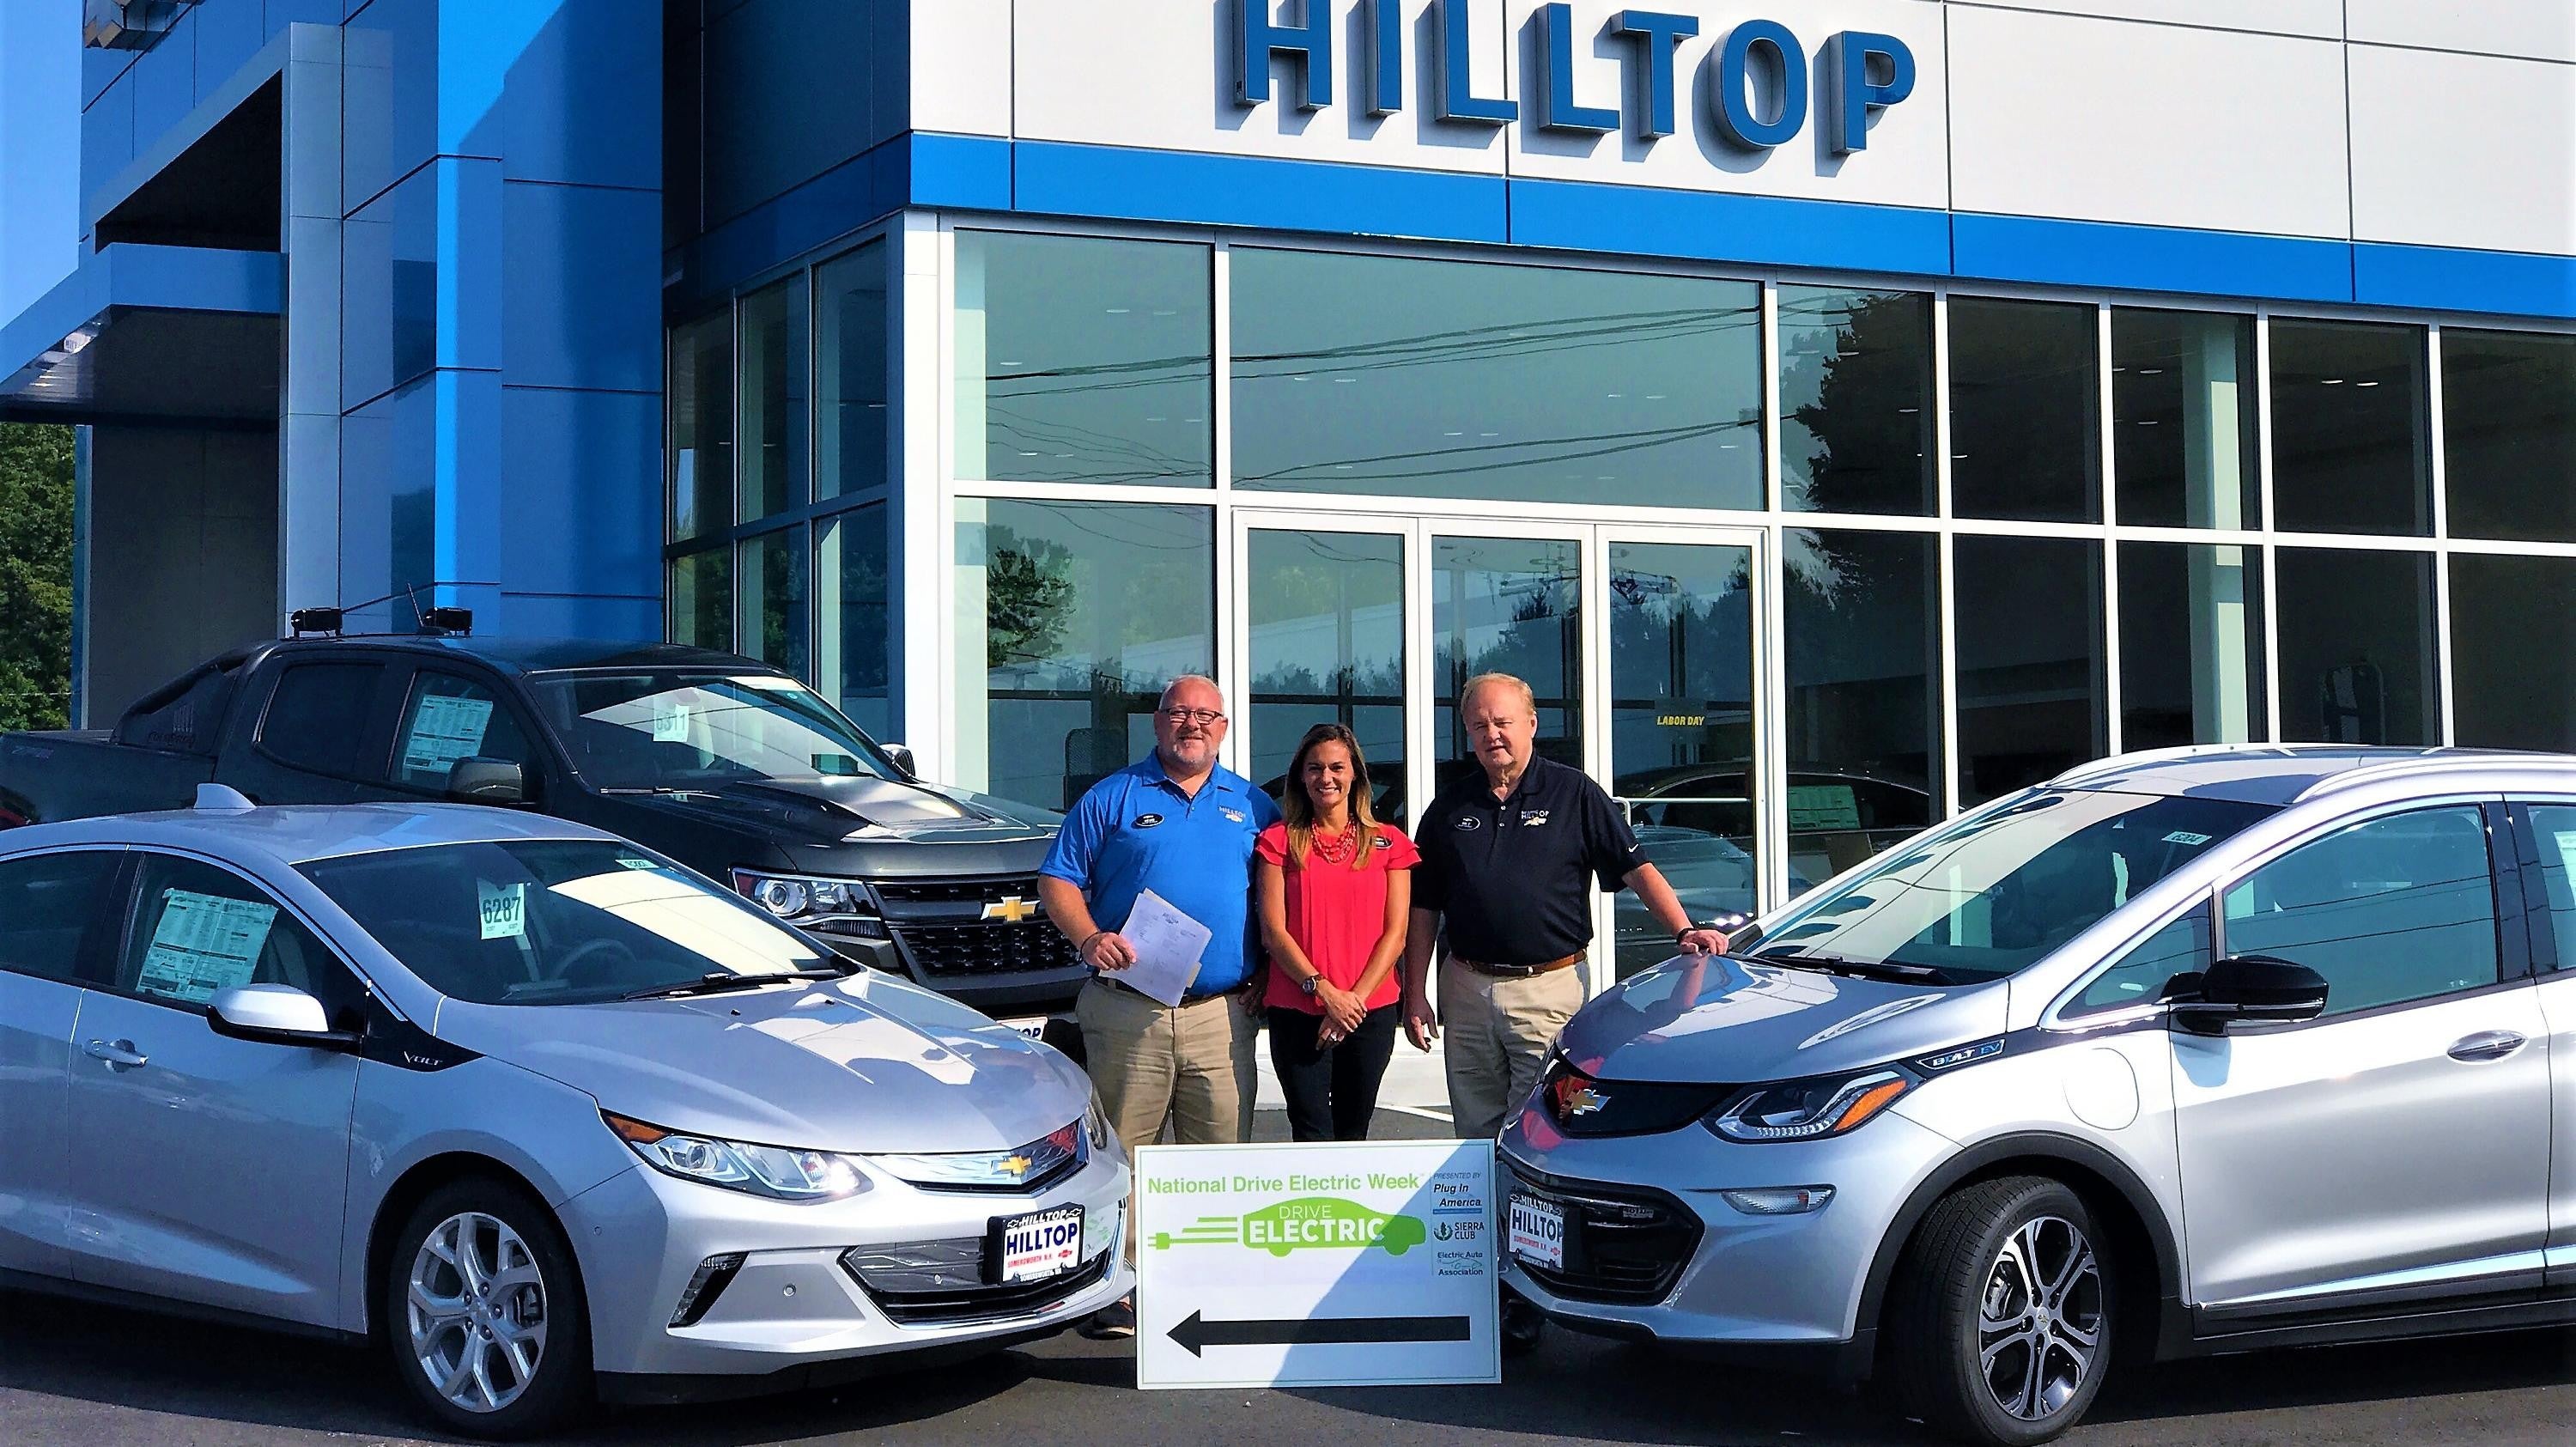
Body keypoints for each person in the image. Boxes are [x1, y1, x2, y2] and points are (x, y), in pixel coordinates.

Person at [1401, 673, 1725, 1350]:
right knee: (1477, 1138)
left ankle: (1531, 1291)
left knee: (1539, 1144)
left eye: (1504, 721)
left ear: (1531, 723)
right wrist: (1415, 987)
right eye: (1480, 724)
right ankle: (1485, 1276)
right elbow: (1424, 905)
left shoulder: (1575, 794)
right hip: (1465, 987)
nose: (1493, 733)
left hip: (1547, 991)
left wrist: (1682, 930)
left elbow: (1637, 868)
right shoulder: (1449, 806)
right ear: (1467, 732)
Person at [1036, 675, 1277, 1340]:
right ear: (1158, 723)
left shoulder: (1255, 805)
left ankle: (1208, 1285)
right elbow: (1057, 877)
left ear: (1224, 727)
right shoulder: (1112, 797)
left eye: (1205, 715)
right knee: (1124, 1152)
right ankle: (1118, 1288)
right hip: (1128, 1007)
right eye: (1178, 713)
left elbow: (1285, 895)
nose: (1191, 724)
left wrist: (1278, 971)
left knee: (1219, 1155)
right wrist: (1088, 935)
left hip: (1221, 1012)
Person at [1255, 723, 1417, 1143]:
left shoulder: (1390, 843)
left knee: (1353, 1131)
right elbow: (1274, 931)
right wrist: (1326, 994)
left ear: (1355, 776)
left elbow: (1395, 935)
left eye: (1336, 768)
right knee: (1310, 1131)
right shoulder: (1277, 842)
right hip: (1297, 1010)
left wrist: (1352, 1004)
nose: (1325, 778)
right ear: (1300, 777)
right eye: (1314, 768)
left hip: (1370, 1011)